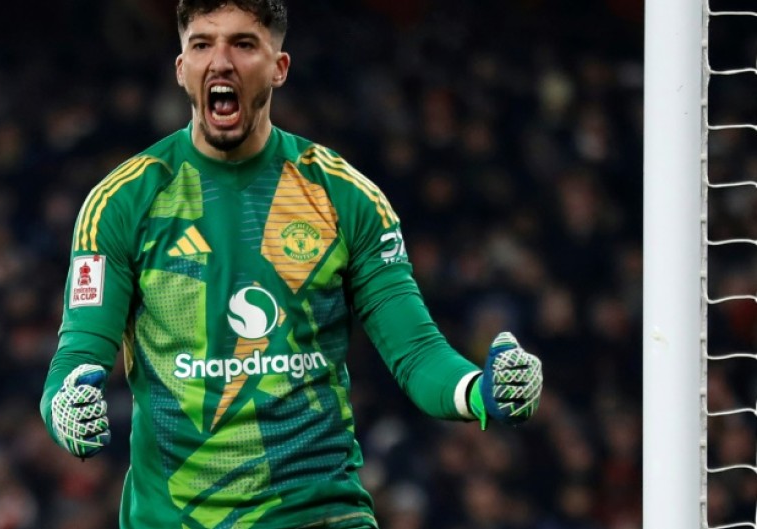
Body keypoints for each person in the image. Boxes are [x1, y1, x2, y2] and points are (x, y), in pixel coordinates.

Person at [39, 1, 543, 528]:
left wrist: (481, 390)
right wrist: (67, 408)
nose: (221, 62)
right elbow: (78, 354)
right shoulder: (122, 203)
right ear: (181, 69)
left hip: (319, 514)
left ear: (279, 67)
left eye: (243, 44)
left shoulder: (344, 197)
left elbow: (417, 354)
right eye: (202, 44)